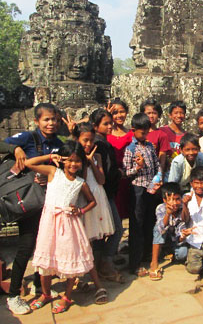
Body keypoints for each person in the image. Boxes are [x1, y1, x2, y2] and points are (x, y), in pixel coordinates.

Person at [4, 103, 63, 315]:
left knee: (44, 245)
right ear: (37, 121)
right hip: (28, 200)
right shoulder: (29, 138)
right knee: (26, 246)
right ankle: (13, 295)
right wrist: (15, 149)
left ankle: (41, 286)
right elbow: (2, 145)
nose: (51, 123)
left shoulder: (58, 143)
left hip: (47, 201)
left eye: (55, 119)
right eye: (47, 119)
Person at [25, 141, 96, 314]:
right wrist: (50, 157)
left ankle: (67, 296)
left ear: (82, 163)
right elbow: (28, 163)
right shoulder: (52, 172)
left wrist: (80, 210)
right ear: (63, 159)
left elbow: (93, 202)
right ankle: (46, 294)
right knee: (45, 261)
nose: (73, 164)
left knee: (70, 260)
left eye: (77, 161)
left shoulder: (80, 182)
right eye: (70, 160)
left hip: (69, 225)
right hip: (49, 224)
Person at [72, 122, 114, 304]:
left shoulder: (96, 155)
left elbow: (102, 179)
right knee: (82, 239)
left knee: (93, 239)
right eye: (84, 141)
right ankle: (80, 276)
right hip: (83, 199)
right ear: (77, 140)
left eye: (91, 140)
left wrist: (91, 161)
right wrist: (83, 161)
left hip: (98, 196)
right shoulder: (73, 158)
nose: (88, 144)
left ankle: (93, 271)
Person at [123, 113, 160, 275]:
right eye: (142, 132)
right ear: (133, 131)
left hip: (151, 188)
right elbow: (126, 173)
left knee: (149, 222)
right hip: (138, 189)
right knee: (136, 225)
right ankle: (134, 263)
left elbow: (157, 165)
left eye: (147, 132)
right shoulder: (131, 149)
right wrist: (137, 168)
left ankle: (146, 255)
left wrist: (158, 179)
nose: (145, 135)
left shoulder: (150, 146)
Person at [90, 108, 124, 283]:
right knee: (117, 230)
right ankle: (105, 262)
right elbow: (106, 172)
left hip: (104, 192)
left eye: (111, 123)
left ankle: (99, 264)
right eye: (106, 124)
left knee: (101, 231)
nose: (111, 126)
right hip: (102, 192)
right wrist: (119, 172)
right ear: (95, 126)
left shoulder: (102, 142)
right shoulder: (99, 144)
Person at [149, 182, 188, 280]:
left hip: (176, 240)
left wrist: (182, 237)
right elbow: (161, 228)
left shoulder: (183, 207)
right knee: (158, 230)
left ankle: (169, 252)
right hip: (163, 237)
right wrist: (168, 213)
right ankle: (154, 263)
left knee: (183, 253)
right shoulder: (161, 208)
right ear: (164, 200)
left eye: (177, 199)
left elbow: (184, 221)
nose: (174, 203)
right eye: (170, 199)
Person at [106, 98, 133, 220]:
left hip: (128, 179)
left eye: (122, 112)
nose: (119, 115)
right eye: (115, 112)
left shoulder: (132, 134)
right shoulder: (105, 134)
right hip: (111, 179)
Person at [140, 98, 171, 177]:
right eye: (148, 113)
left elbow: (162, 158)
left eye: (154, 113)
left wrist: (160, 175)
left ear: (159, 115)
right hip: (139, 174)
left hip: (153, 174)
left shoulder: (161, 135)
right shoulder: (137, 133)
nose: (151, 116)